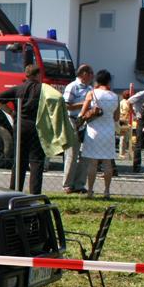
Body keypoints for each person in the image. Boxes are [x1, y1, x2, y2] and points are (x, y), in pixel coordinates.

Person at [0, 65, 44, 194]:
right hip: (37, 126)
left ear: (26, 75)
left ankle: (15, 189)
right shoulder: (43, 90)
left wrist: (11, 112)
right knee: (36, 160)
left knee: (19, 159)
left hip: (20, 126)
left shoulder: (18, 89)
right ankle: (35, 192)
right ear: (37, 75)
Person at [78, 69, 119, 199]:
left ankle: (90, 191)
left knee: (93, 163)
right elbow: (116, 118)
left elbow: (82, 113)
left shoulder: (92, 93)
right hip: (108, 131)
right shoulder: (114, 96)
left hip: (93, 131)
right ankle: (106, 191)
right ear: (108, 81)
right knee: (107, 162)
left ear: (97, 80)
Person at [61, 64, 93, 193]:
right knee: (72, 154)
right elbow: (66, 105)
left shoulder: (90, 88)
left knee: (85, 155)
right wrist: (85, 103)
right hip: (73, 121)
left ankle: (79, 184)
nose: (92, 76)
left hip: (86, 123)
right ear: (84, 74)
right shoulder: (72, 86)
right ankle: (67, 185)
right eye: (90, 73)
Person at [118, 91, 133, 159]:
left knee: (128, 138)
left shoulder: (130, 102)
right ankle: (122, 153)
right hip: (124, 121)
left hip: (128, 121)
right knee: (123, 138)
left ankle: (128, 153)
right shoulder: (122, 102)